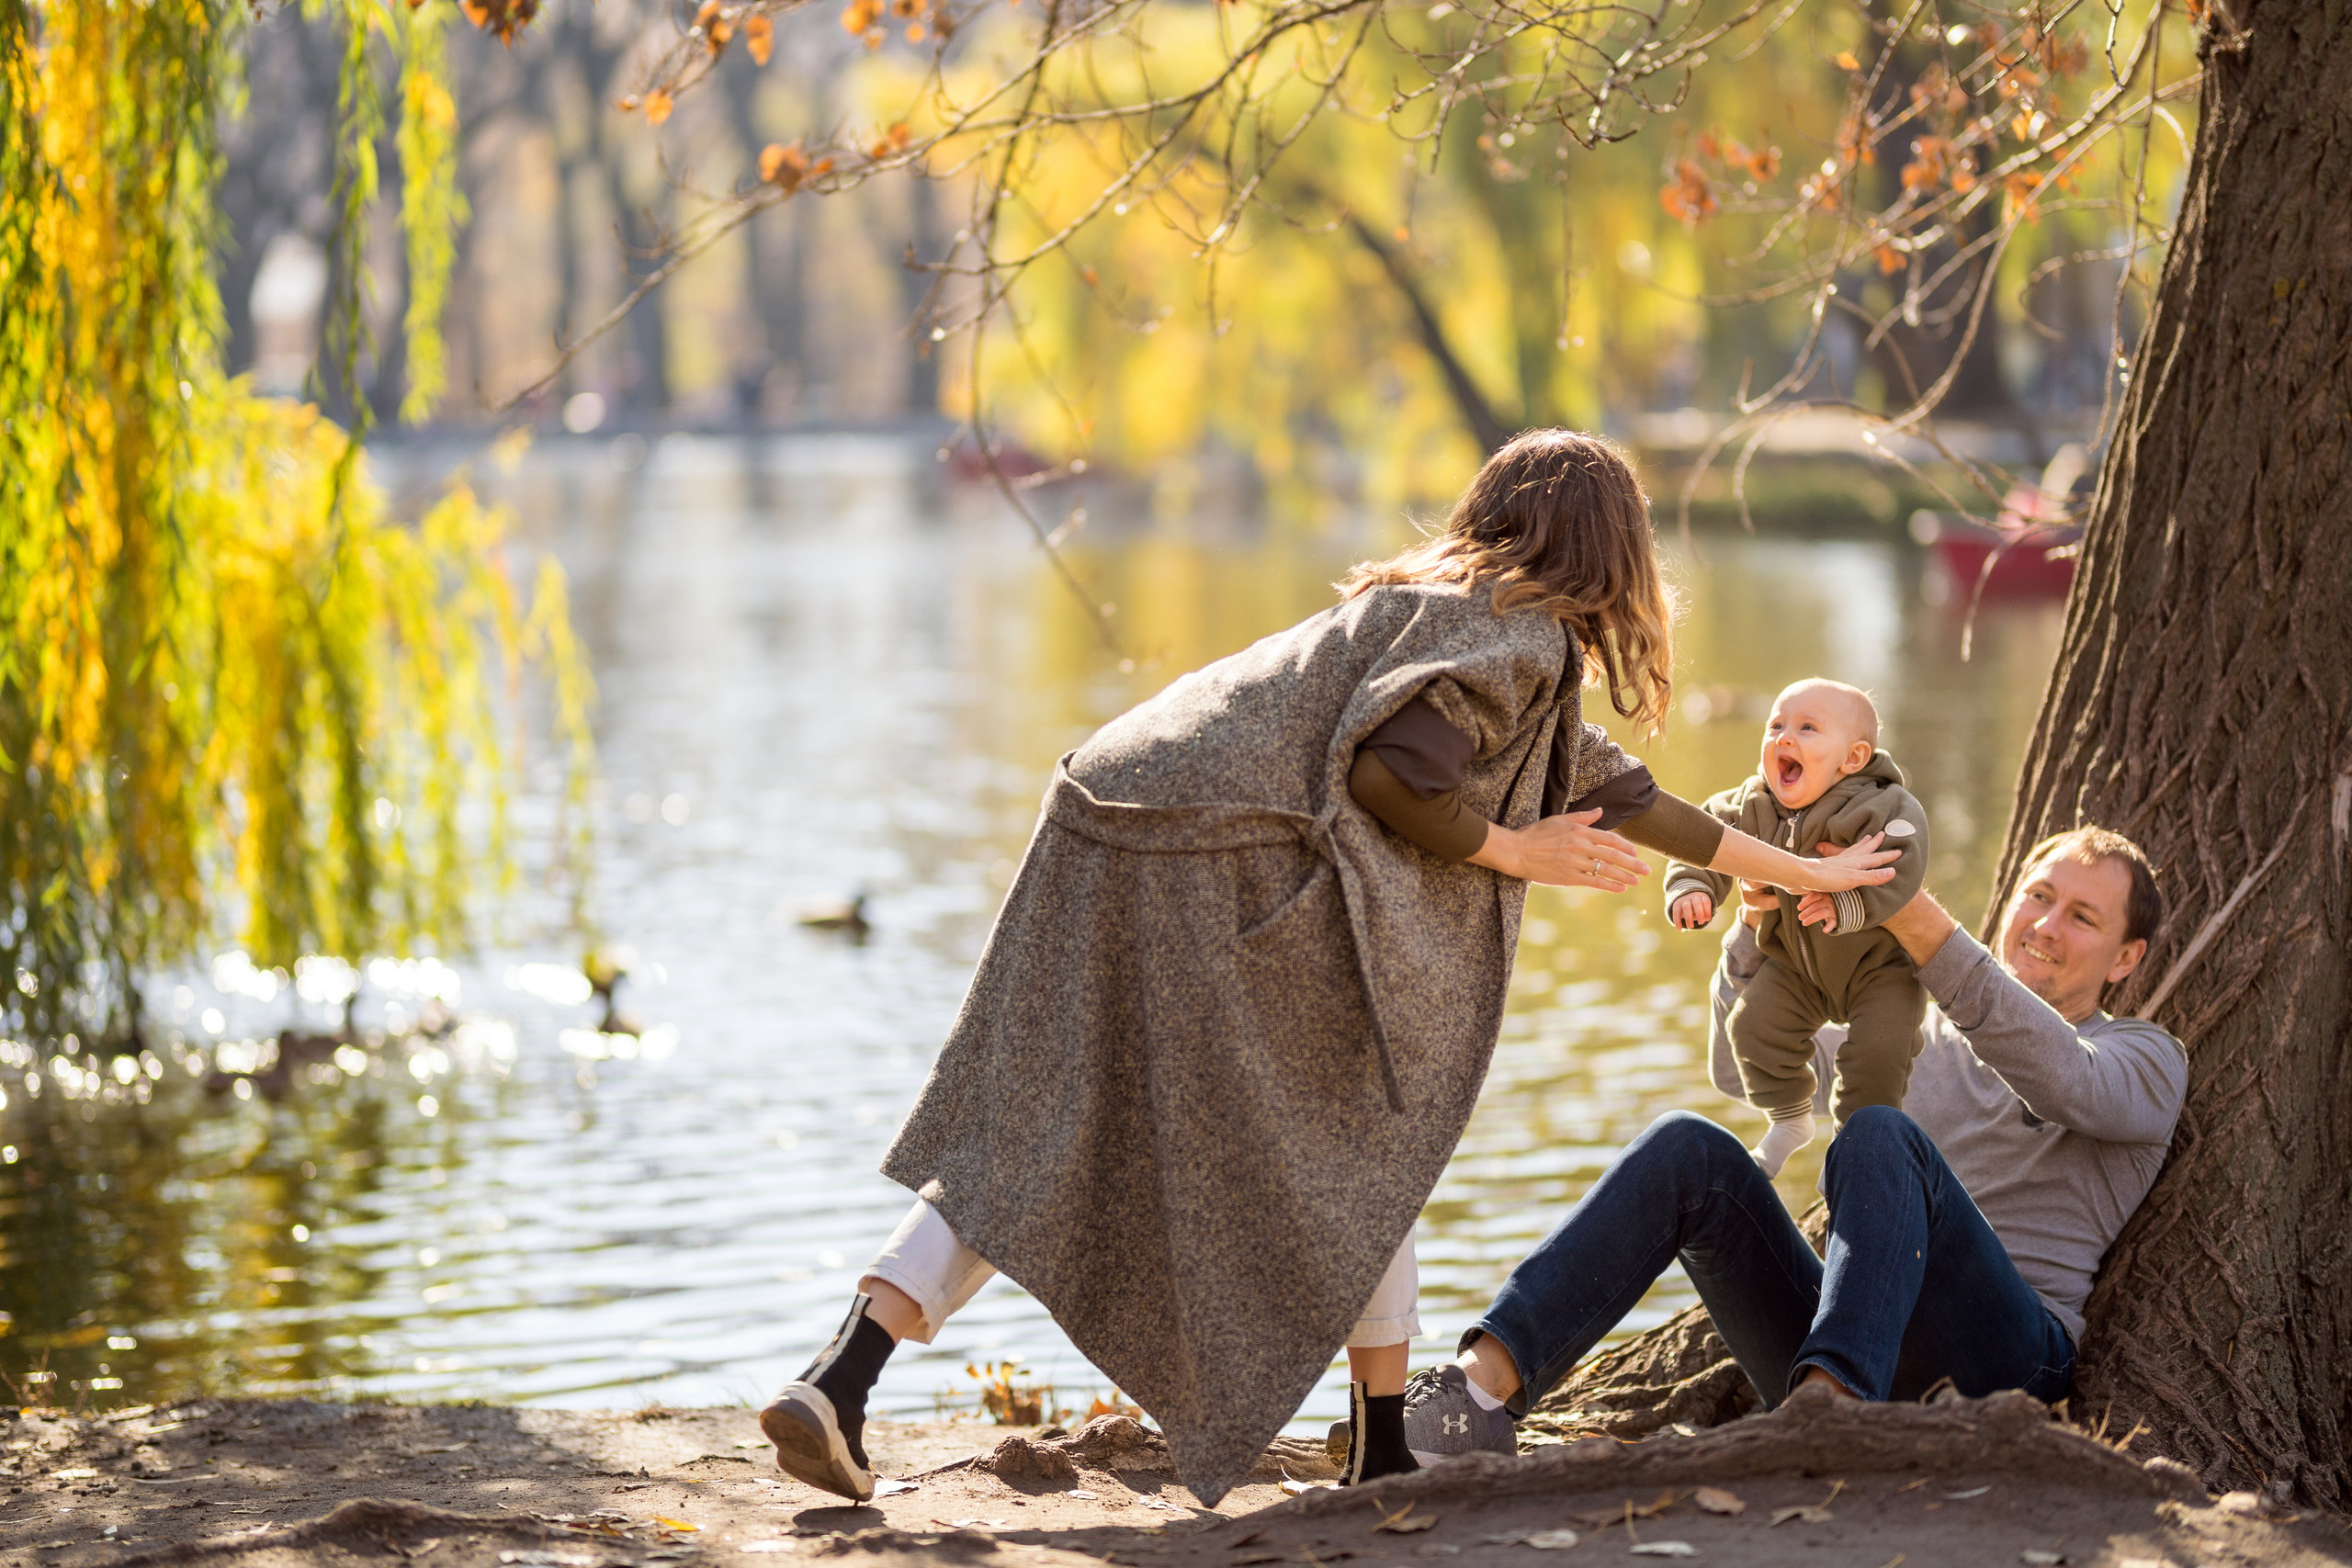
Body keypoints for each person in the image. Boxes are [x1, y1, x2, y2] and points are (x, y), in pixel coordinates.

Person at [762, 431, 1897, 1506]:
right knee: (1370, 1122)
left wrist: (1808, 875)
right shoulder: (1515, 641)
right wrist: (1513, 849)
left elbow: (1643, 805)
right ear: (1612, 555)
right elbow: (1391, 778)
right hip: (1208, 860)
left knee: (1040, 1121)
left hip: (1111, 814)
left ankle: (840, 1377)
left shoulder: (1438, 614)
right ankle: (1383, 1443)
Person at [1395, 826, 2185, 1461]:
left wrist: (1908, 914)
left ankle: (1826, 1419)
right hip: (1849, 1347)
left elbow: (2065, 1080)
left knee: (1879, 1132)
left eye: (2082, 916)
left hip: (2004, 1363)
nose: (2046, 924)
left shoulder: (2144, 1058)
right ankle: (1476, 1396)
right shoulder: (1911, 1034)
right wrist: (1755, 930)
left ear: (2126, 958)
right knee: (1690, 1149)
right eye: (2039, 897)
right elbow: (1742, 1067)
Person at [1662, 680, 1930, 1176]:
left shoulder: (1879, 805)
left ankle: (1857, 1151)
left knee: (1878, 1058)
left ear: (1852, 758)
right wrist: (1691, 887)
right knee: (1752, 1028)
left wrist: (1847, 905)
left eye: (1807, 728)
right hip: (1797, 969)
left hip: (1878, 971)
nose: (1785, 738)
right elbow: (1703, 835)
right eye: (1776, 726)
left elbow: (1905, 861)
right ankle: (1788, 1117)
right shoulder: (1754, 803)